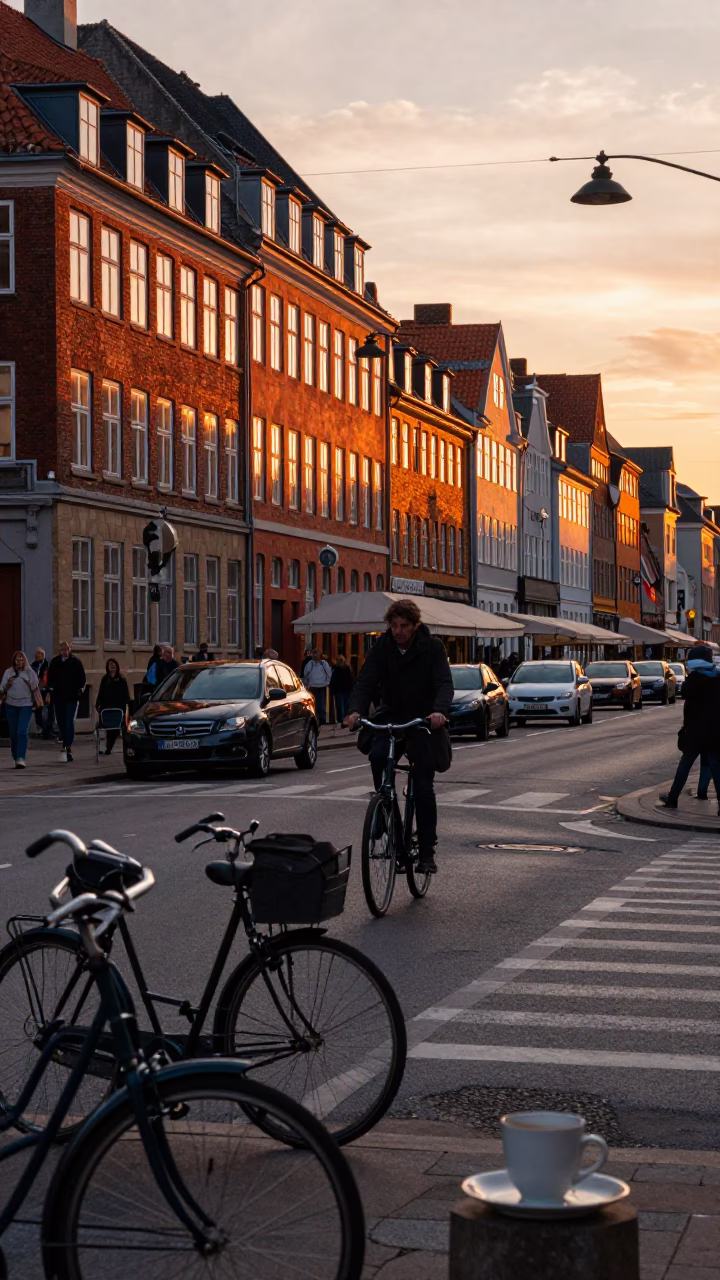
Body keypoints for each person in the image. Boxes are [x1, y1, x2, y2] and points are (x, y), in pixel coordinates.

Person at [346, 599, 453, 875]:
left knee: (423, 786)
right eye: (393, 625)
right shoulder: (383, 647)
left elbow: (444, 683)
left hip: (422, 719)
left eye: (404, 626)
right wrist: (355, 711)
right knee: (378, 755)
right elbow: (366, 680)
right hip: (392, 715)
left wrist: (439, 711)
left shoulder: (432, 648)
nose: (398, 631)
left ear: (416, 625)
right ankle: (386, 815)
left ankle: (427, 852)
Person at [659, 644, 720, 812]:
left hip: (695, 733)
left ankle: (672, 799)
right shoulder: (716, 678)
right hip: (714, 732)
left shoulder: (694, 680)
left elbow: (685, 693)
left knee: (684, 766)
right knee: (716, 768)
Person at [47, 641, 86, 763]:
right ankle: (64, 742)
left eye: (66, 649)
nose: (64, 652)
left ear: (70, 650)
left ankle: (67, 746)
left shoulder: (75, 662)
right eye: (62, 650)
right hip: (58, 697)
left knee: (69, 721)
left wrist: (79, 690)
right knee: (61, 722)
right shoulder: (55, 662)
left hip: (71, 697)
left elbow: (82, 678)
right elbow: (50, 678)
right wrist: (51, 689)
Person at [0, 651, 40, 769]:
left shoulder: (29, 672)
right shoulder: (9, 672)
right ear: (14, 661)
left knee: (22, 731)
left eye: (22, 660)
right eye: (17, 660)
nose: (20, 662)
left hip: (26, 705)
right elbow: (2, 689)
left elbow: (35, 687)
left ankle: (21, 757)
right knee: (13, 733)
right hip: (11, 705)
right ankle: (15, 754)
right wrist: (7, 684)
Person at [95, 659, 131, 755]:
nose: (112, 667)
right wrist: (98, 704)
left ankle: (109, 747)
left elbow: (126, 695)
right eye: (110, 665)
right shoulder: (105, 679)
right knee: (108, 727)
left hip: (118, 707)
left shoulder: (121, 680)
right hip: (106, 707)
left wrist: (126, 708)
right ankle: (108, 747)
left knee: (115, 728)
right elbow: (101, 692)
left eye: (113, 665)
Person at [303, 647, 333, 725]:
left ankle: (322, 719)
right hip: (313, 687)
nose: (315, 655)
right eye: (314, 653)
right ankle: (316, 719)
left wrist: (327, 682)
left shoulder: (324, 664)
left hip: (322, 686)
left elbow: (329, 674)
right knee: (315, 704)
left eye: (317, 653)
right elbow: (306, 673)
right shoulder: (310, 664)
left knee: (322, 704)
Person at [30, 646, 53, 739]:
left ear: (43, 655)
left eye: (39, 653)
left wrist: (49, 692)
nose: (37, 655)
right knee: (37, 712)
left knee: (46, 712)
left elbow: (50, 679)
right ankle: (42, 730)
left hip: (46, 691)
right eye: (36, 653)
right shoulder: (33, 665)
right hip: (36, 692)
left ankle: (47, 732)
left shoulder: (48, 665)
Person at [330, 655, 354, 725]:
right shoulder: (338, 670)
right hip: (341, 691)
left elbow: (350, 680)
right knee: (342, 706)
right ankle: (342, 720)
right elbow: (351, 680)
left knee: (343, 706)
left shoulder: (345, 669)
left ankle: (343, 720)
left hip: (344, 691)